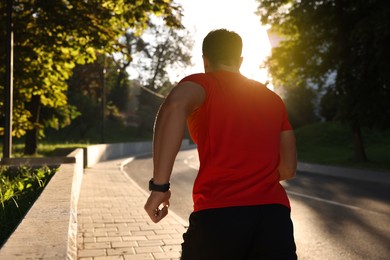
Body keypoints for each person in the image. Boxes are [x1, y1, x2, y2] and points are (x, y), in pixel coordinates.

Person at [144, 29, 297, 260]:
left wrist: (160, 187)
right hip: (275, 218)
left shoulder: (203, 84)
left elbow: (174, 107)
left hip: (219, 215)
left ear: (205, 60)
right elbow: (288, 169)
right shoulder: (273, 99)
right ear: (240, 60)